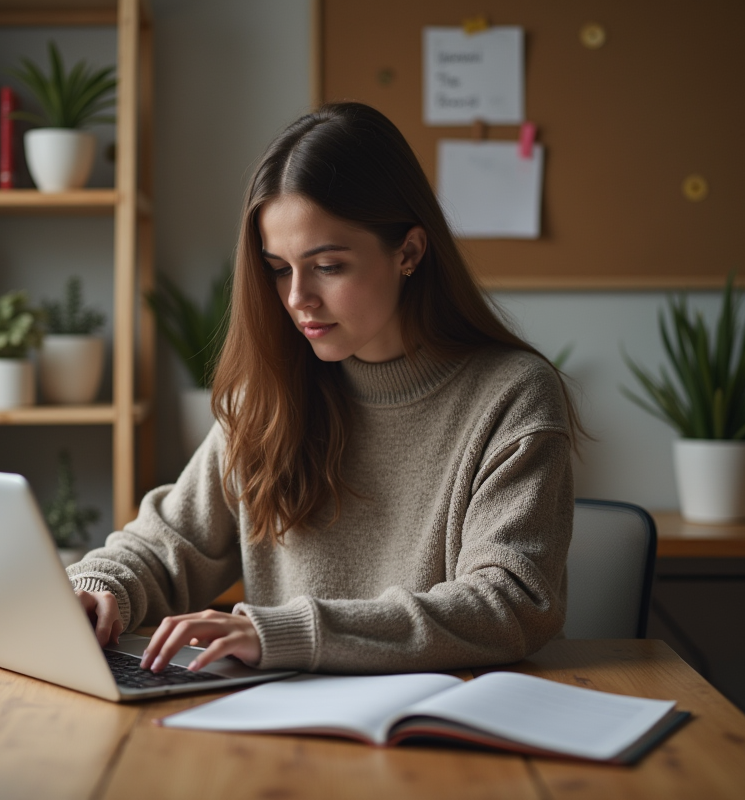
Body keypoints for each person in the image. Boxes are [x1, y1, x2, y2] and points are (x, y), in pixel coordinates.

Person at [69, 102, 578, 675]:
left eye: (328, 266)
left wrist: (288, 632)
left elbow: (509, 603)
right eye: (280, 268)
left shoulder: (513, 396)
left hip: (436, 733)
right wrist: (97, 588)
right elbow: (168, 546)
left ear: (408, 252)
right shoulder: (268, 397)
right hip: (276, 726)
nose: (297, 299)